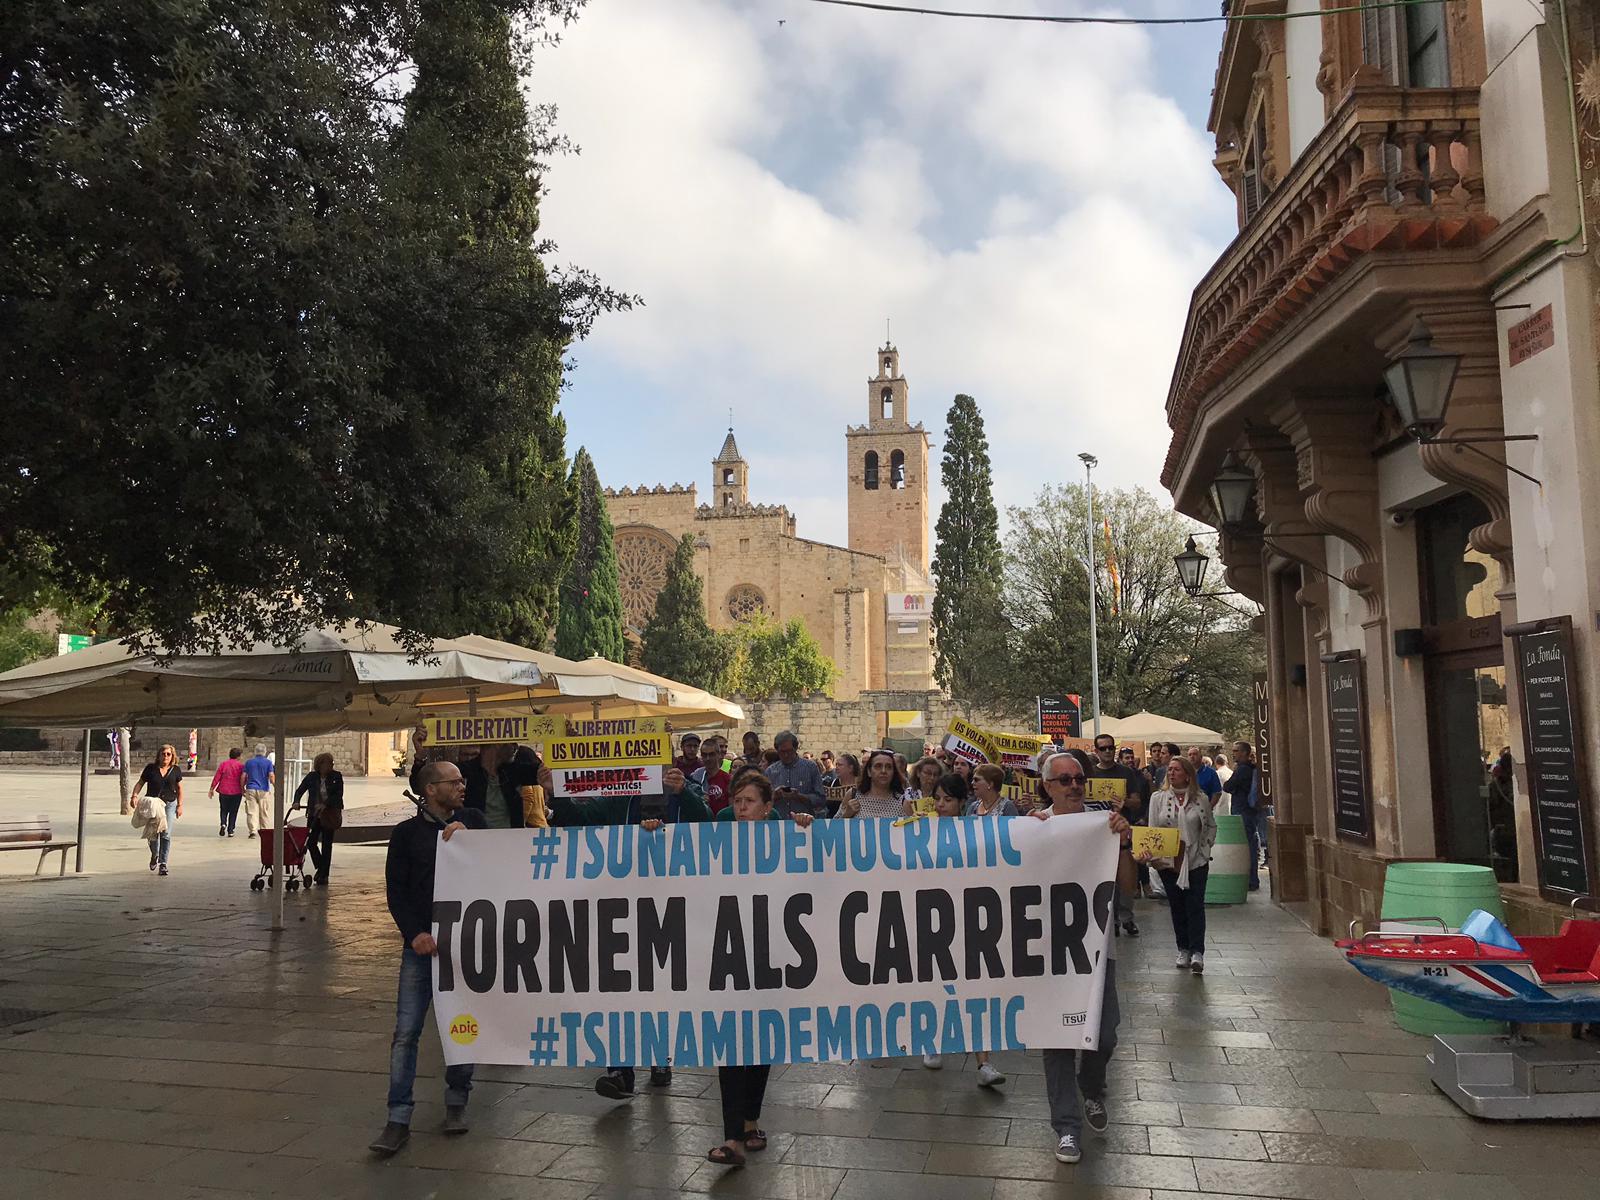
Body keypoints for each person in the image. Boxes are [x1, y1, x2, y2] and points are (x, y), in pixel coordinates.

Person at [548, 766, 713, 1097]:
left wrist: (684, 794)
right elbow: (578, 820)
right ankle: (619, 1070)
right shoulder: (619, 798)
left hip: (670, 908)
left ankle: (659, 1057)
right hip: (621, 909)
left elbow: (709, 824)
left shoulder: (683, 791)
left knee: (659, 988)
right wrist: (556, 793)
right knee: (618, 988)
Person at [370, 760, 483, 1157]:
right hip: (420, 948)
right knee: (406, 1033)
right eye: (455, 782)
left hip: (464, 946)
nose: (462, 786)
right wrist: (414, 933)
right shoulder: (405, 835)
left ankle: (457, 1100)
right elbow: (396, 890)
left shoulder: (474, 821)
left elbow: (502, 862)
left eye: (462, 780)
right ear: (431, 790)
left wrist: (471, 839)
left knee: (461, 1028)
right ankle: (397, 1117)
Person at [704, 772, 814, 1167]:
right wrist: (653, 828)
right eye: (737, 802)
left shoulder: (786, 834)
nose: (741, 809)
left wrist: (806, 829)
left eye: (749, 802)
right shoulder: (719, 834)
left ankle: (750, 1121)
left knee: (761, 1042)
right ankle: (733, 1136)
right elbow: (673, 846)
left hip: (773, 955)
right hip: (730, 956)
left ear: (768, 807)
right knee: (731, 1042)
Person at [1031, 751, 1132, 1164]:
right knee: (1056, 1041)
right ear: (1047, 786)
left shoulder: (1104, 826)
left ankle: (1091, 1086)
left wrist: (1123, 843)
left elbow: (1127, 888)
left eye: (1079, 779)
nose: (1075, 785)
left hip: (1095, 951)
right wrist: (1025, 834)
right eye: (1065, 780)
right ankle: (1067, 1128)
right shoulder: (1034, 827)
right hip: (1046, 955)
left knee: (1104, 1033)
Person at [1145, 756, 1217, 972]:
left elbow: (1211, 825)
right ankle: (1182, 948)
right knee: (1177, 906)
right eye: (1170, 770)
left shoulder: (1200, 799)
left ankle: (1197, 952)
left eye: (1176, 770)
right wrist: (1154, 857)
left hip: (1196, 860)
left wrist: (1205, 849)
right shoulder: (1158, 798)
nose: (1171, 773)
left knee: (1195, 905)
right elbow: (1152, 828)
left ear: (1187, 774)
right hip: (1170, 862)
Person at [1087, 733, 1149, 937]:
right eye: (1103, 748)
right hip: (1099, 833)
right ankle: (1110, 919)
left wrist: (1125, 803)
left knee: (1126, 877)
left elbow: (1137, 801)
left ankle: (1127, 917)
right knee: (1107, 878)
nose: (1107, 751)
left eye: (1110, 748)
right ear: (1096, 751)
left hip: (1123, 831)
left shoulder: (1126, 772)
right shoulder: (1091, 774)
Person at [292, 751, 345, 886]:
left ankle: (324, 875)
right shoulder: (312, 777)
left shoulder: (336, 776)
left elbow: (338, 794)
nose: (331, 765)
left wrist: (325, 804)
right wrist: (296, 801)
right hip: (314, 814)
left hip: (329, 814)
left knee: (327, 844)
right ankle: (321, 868)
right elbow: (300, 790)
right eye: (328, 763)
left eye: (332, 763)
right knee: (311, 842)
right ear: (320, 764)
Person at [130, 743, 183, 875]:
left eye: (168, 754)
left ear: (172, 756)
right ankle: (155, 855)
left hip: (170, 804)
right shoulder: (151, 768)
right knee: (153, 834)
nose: (166, 756)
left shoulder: (175, 770)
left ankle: (163, 863)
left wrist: (180, 805)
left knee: (166, 834)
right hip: (153, 805)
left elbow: (180, 788)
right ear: (159, 755)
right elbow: (140, 783)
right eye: (163, 754)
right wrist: (134, 796)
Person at [462, 744, 527, 830]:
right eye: (512, 742)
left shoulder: (511, 772)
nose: (516, 747)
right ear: (497, 744)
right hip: (476, 838)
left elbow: (540, 772)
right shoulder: (465, 772)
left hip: (510, 839)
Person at [1222, 742, 1260, 890]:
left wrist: (1232, 784)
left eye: (1236, 751)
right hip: (1247, 810)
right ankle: (1251, 879)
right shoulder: (1249, 768)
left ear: (1245, 752)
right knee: (1249, 844)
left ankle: (1251, 880)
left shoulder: (1243, 769)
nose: (1234, 753)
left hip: (1243, 810)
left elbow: (1227, 786)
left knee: (1247, 846)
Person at [765, 730, 826, 818]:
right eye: (782, 752)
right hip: (778, 824)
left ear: (796, 748)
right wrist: (775, 795)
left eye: (789, 751)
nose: (786, 755)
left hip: (804, 824)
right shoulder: (770, 771)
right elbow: (762, 802)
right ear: (777, 750)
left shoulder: (810, 768)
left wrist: (799, 796)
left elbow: (821, 800)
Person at [839, 749, 908, 818]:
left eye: (888, 767)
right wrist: (846, 815)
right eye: (878, 766)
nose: (883, 771)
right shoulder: (853, 795)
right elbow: (833, 826)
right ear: (869, 771)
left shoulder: (903, 801)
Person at [209, 747, 247, 838]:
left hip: (224, 790)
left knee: (223, 809)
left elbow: (217, 777)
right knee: (234, 811)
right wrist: (244, 788)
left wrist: (212, 788)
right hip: (236, 791)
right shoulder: (241, 766)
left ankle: (223, 823)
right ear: (238, 756)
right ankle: (231, 830)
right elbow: (244, 778)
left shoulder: (223, 764)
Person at [241, 744, 275, 839]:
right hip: (263, 789)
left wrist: (242, 787)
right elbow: (271, 776)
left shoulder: (249, 762)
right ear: (264, 752)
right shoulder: (268, 763)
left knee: (251, 811)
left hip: (251, 788)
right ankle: (264, 830)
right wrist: (276, 786)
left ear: (255, 752)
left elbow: (243, 776)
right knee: (264, 811)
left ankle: (253, 831)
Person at [697, 738, 732, 814]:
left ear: (719, 754)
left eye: (711, 754)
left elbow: (731, 809)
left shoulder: (728, 779)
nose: (708, 758)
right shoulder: (696, 777)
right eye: (704, 755)